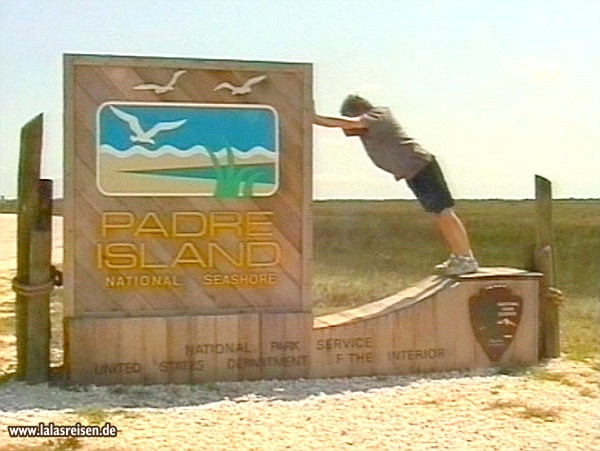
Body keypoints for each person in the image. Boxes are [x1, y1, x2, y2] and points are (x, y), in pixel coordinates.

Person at [313, 94, 479, 276]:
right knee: (439, 214)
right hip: (413, 172)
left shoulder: (378, 115)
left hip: (421, 166)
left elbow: (350, 123)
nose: (347, 132)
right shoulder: (369, 126)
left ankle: (467, 259)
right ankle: (459, 256)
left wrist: (315, 118)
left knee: (444, 213)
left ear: (358, 110)